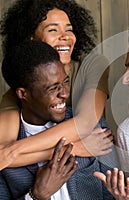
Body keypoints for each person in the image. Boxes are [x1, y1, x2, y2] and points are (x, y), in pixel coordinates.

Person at [0, 0, 113, 169]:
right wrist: (70, 149)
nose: (65, 36)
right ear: (32, 40)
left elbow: (85, 122)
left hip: (90, 166)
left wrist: (15, 151)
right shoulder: (20, 90)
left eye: (69, 29)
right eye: (53, 30)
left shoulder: (92, 64)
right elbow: (2, 154)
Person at [0, 40, 114, 200]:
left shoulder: (94, 128)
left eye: (65, 82)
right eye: (52, 88)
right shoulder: (6, 146)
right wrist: (36, 195)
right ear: (23, 94)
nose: (65, 94)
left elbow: (114, 193)